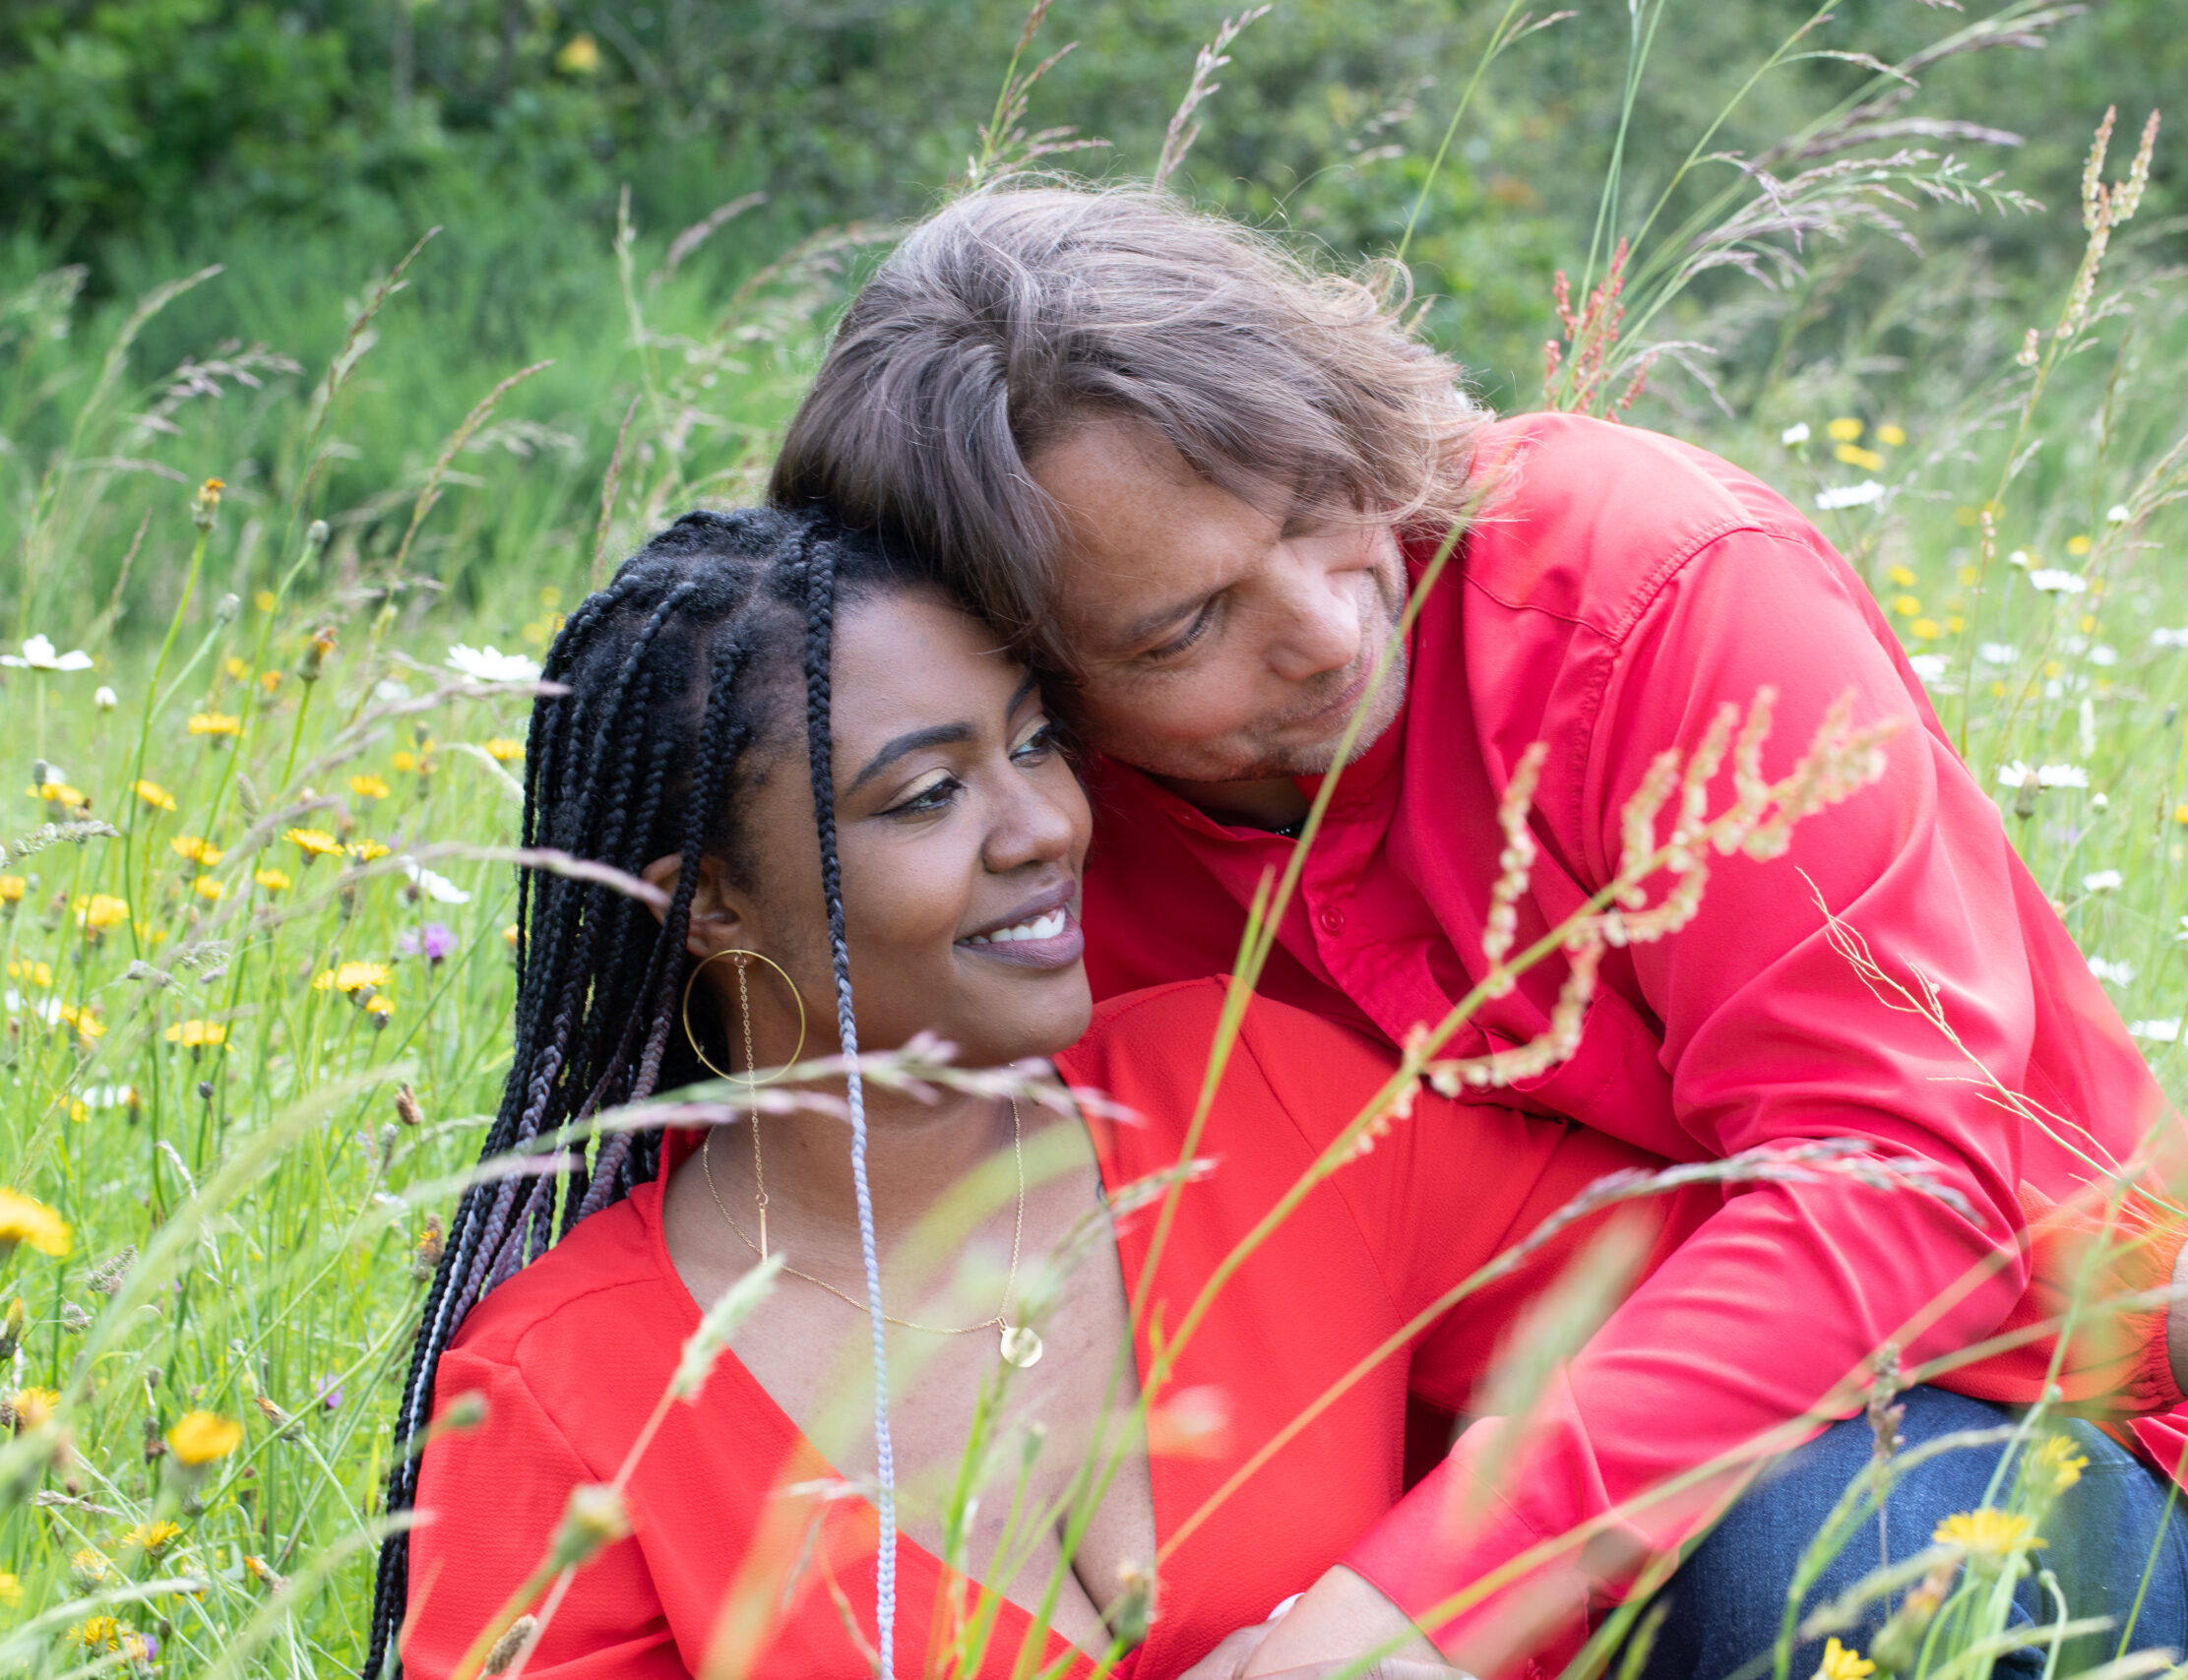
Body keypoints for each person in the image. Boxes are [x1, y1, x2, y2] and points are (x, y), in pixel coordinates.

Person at [765, 183, 2188, 1678]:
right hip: (1418, 1512)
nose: (1327, 628)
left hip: (2008, 1444)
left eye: (1312, 505)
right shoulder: (1016, 845)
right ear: (1018, 679)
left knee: (1819, 1554)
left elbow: (1884, 1188)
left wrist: (1414, 1609)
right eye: (1181, 629)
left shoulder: (1652, 581)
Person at [368, 506, 1741, 1680]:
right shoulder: (565, 1395)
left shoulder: (1248, 1097)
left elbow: (1736, 1327)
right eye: (927, 796)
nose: (1046, 828)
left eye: (1033, 746)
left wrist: (1417, 1610)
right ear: (714, 905)